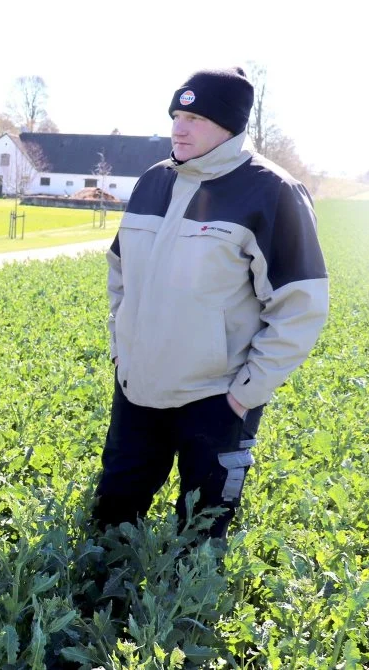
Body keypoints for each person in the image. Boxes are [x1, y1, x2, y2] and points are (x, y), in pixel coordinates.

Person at [95, 67, 329, 540]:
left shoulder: (271, 191)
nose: (180, 126)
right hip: (137, 388)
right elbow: (121, 275)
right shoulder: (151, 182)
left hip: (216, 400)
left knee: (199, 540)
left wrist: (244, 394)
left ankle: (178, 617)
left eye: (197, 117)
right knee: (110, 523)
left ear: (231, 126)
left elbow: (300, 306)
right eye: (177, 114)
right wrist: (121, 349)